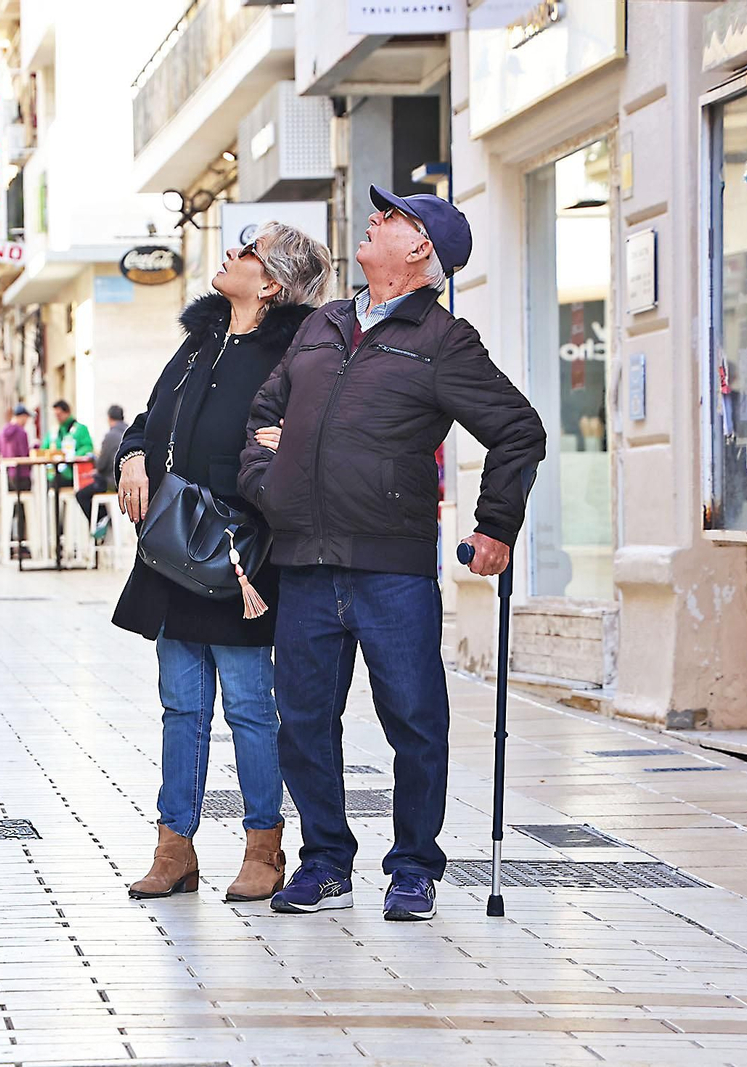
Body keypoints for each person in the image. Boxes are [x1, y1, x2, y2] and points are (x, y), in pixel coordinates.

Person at [238, 186, 546, 922]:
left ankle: (413, 866)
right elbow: (263, 416)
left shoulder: (444, 339)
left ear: (419, 251)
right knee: (304, 721)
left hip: (391, 568)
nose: (373, 221)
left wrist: (496, 527)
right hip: (305, 561)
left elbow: (518, 430)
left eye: (392, 217)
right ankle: (325, 861)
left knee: (414, 718)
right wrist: (268, 481)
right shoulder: (321, 324)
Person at [114, 222, 333, 903]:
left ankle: (264, 846)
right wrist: (130, 456)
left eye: (245, 252)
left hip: (240, 557)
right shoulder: (200, 341)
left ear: (269, 282)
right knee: (180, 705)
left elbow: (313, 436)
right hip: (175, 550)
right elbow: (149, 418)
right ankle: (173, 846)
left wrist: (283, 450)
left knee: (247, 707)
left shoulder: (294, 351)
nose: (230, 255)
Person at [0, 404, 34, 558]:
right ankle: (22, 546)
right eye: (25, 418)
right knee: (22, 512)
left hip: (9, 477)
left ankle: (8, 545)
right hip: (22, 476)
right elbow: (24, 455)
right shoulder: (21, 433)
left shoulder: (2, 432)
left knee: (11, 511)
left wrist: (2, 469)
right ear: (21, 417)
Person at [76, 404, 129, 524]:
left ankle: (102, 520)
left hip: (112, 482)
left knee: (81, 495)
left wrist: (95, 461)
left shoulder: (110, 436)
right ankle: (107, 519)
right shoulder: (129, 432)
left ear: (109, 418)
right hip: (126, 481)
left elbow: (101, 465)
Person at [45, 399, 94, 487]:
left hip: (72, 471)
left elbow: (88, 446)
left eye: (59, 415)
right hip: (54, 472)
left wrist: (74, 456)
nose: (57, 418)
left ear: (67, 412)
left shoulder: (80, 429)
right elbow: (44, 448)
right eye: (55, 415)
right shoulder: (54, 431)